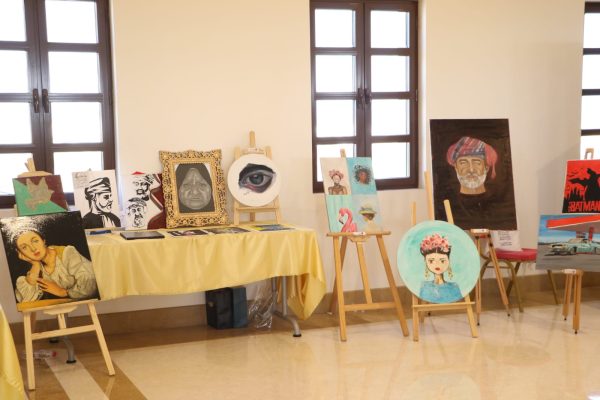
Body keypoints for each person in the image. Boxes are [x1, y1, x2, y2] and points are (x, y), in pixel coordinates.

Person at [10, 228, 98, 303]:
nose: (33, 249)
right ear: (21, 253)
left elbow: (90, 284)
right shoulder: (36, 269)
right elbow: (26, 301)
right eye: (24, 247)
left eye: (35, 241)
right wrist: (35, 265)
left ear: (43, 240)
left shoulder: (66, 253)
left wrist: (63, 292)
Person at [418, 233, 462, 303]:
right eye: (431, 261)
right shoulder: (424, 287)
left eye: (442, 261)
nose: (437, 264)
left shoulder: (454, 287)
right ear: (425, 261)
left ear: (448, 260)